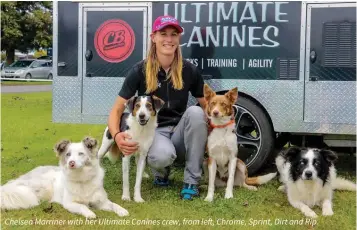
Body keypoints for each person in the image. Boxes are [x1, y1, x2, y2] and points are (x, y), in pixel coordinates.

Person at [107, 15, 208, 200]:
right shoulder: (139, 71)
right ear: (154, 37)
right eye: (163, 34)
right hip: (155, 132)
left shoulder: (189, 70)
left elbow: (206, 105)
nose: (169, 39)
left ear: (178, 39)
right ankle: (161, 172)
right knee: (160, 157)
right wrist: (116, 136)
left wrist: (220, 127)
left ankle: (191, 182)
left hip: (180, 131)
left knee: (195, 112)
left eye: (174, 34)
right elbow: (117, 110)